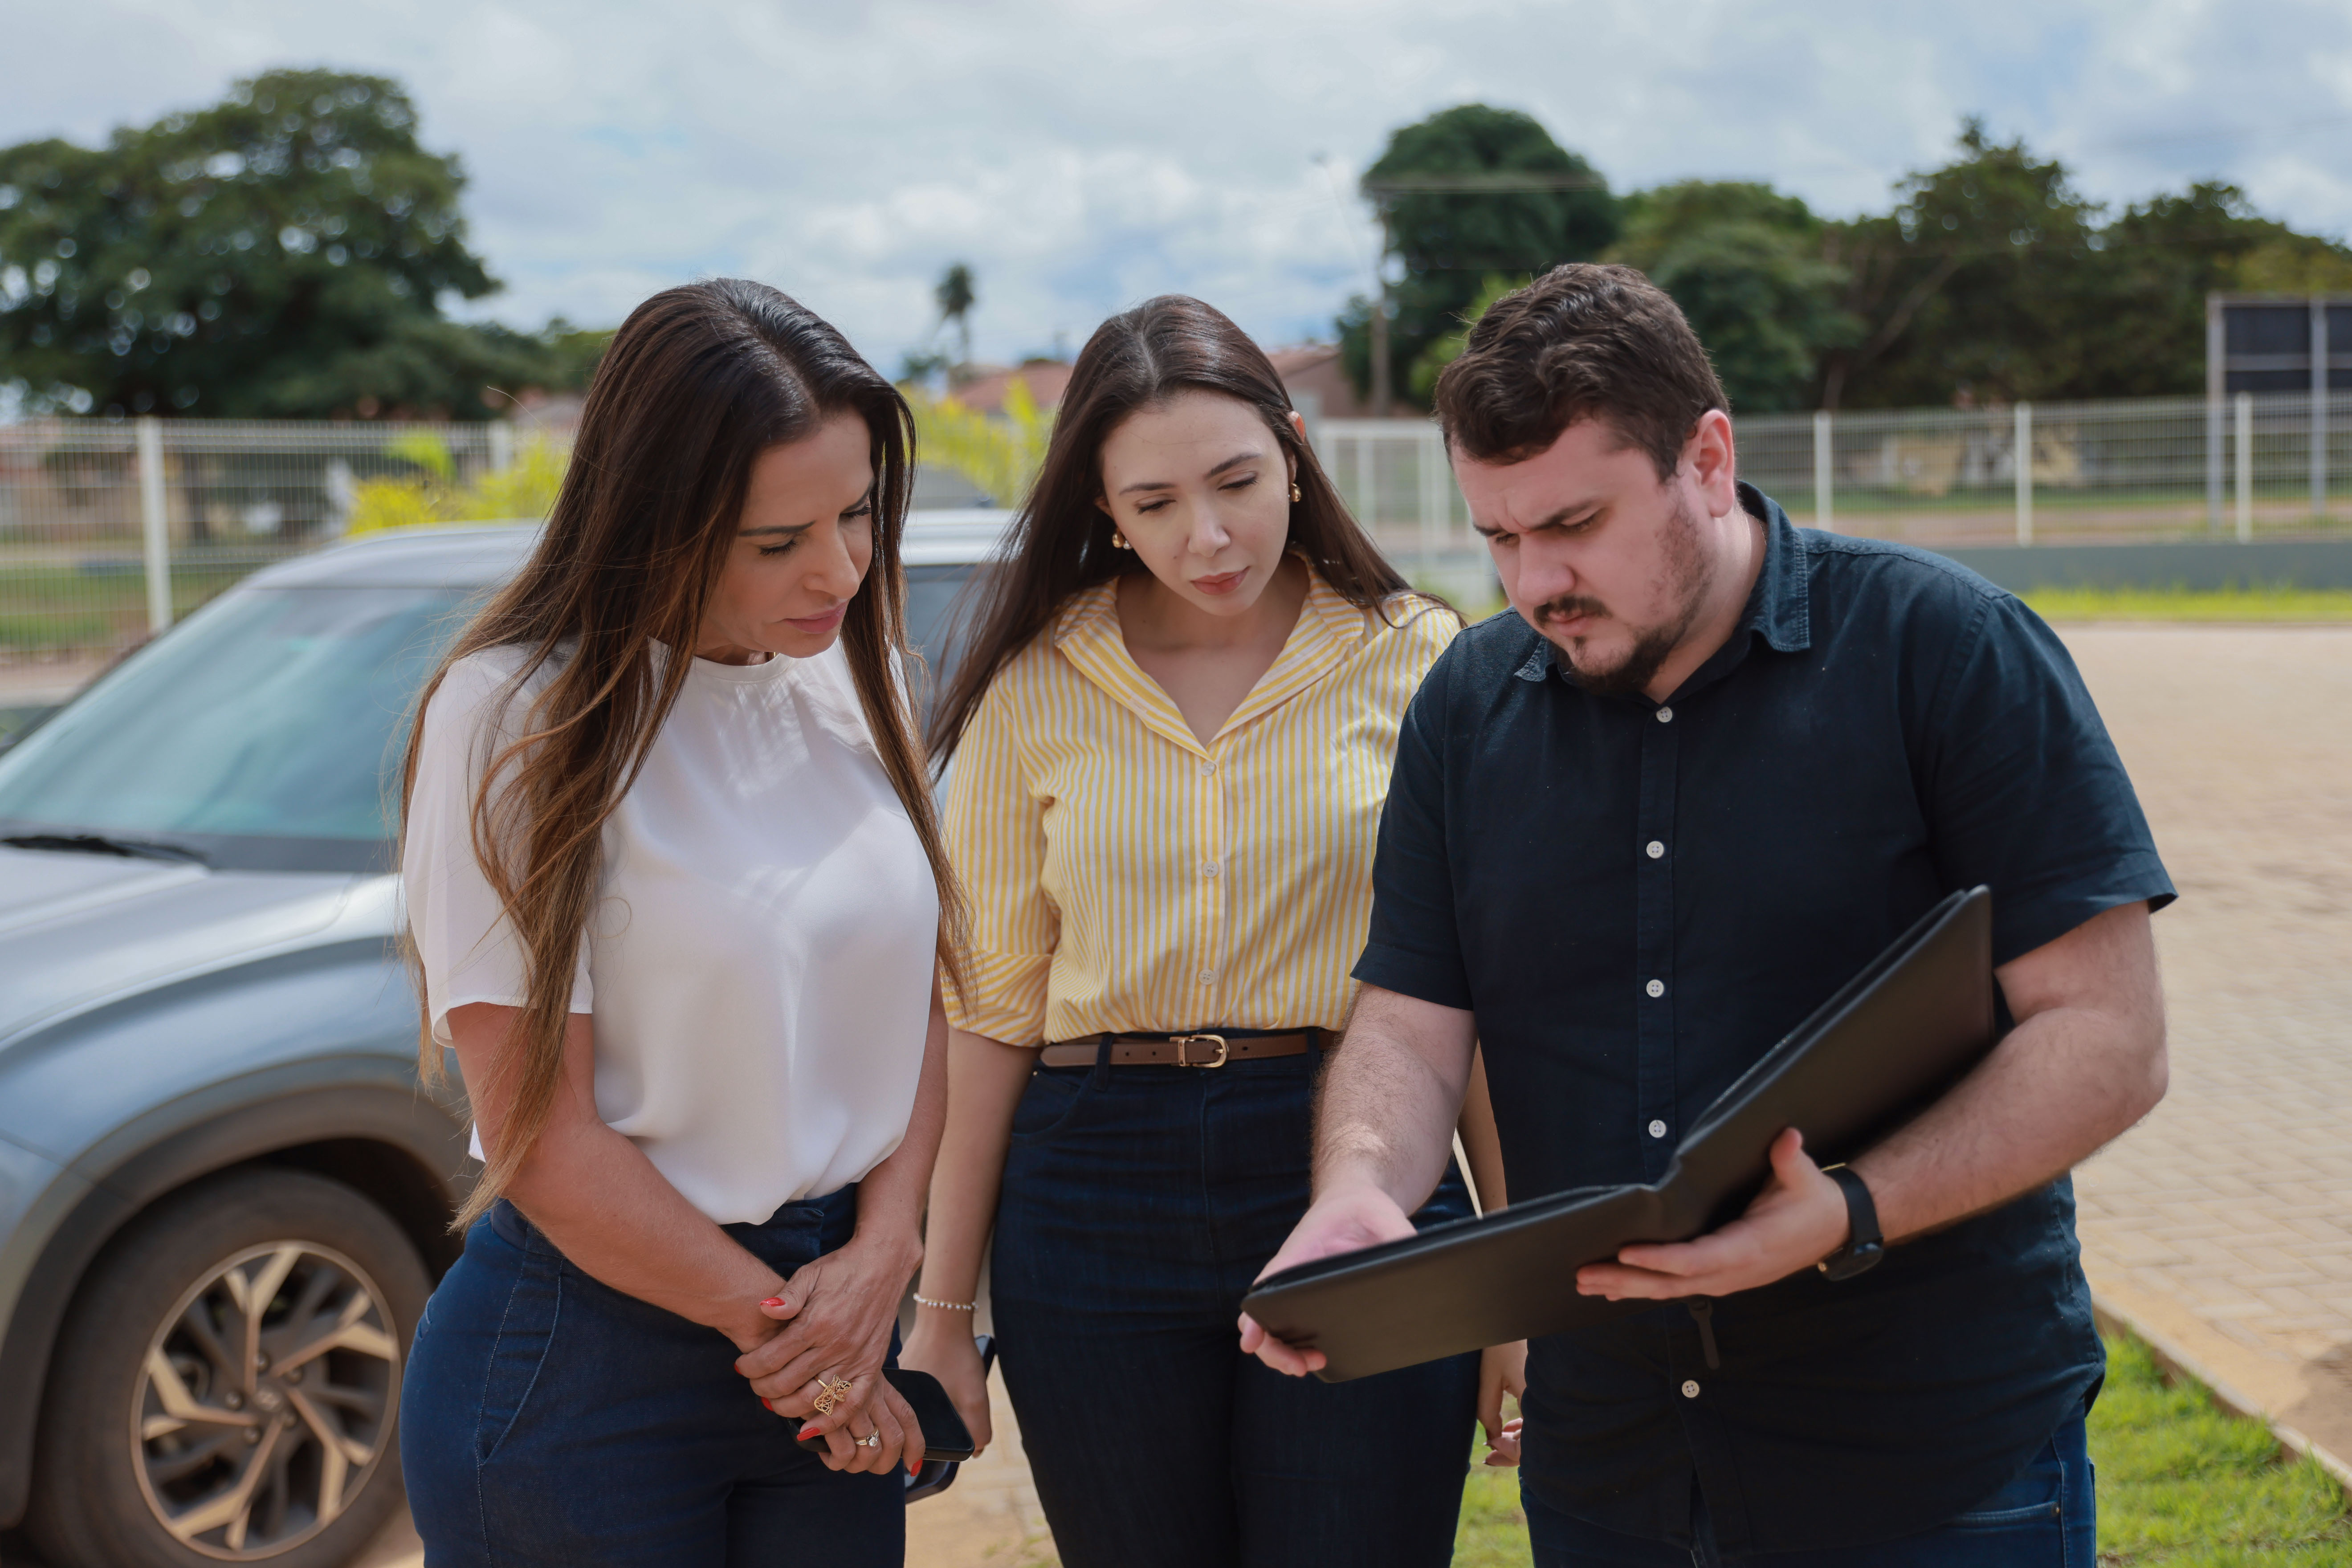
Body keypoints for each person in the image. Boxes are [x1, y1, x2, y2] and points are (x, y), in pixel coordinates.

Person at [1243, 263, 2175, 1567]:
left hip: (1926, 1456)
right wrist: (1360, 1187)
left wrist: (1851, 1204)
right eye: (1498, 536)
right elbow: (1410, 1013)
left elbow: (2108, 1034)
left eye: (1573, 521)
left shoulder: (1945, 647)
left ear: (1708, 456)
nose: (1534, 582)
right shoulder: (1466, 704)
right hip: (1613, 1465)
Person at [897, 294, 1523, 1568]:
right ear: (1103, 510)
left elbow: (1478, 995)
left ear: (1295, 448)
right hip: (1085, 1189)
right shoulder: (1036, 684)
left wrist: (1512, 1288)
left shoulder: (1417, 661)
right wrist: (942, 1310)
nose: (1209, 532)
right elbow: (990, 1010)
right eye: (1154, 504)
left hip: (1352, 1163)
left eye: (1236, 479)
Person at [397, 278, 958, 1567]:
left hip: (829, 1308)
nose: (841, 568)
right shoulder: (508, 719)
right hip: (590, 1363)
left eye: (859, 511)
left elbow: (915, 1000)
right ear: (654, 521)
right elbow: (541, 1134)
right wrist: (805, 1344)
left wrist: (885, 1249)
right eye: (777, 541)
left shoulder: (860, 687)